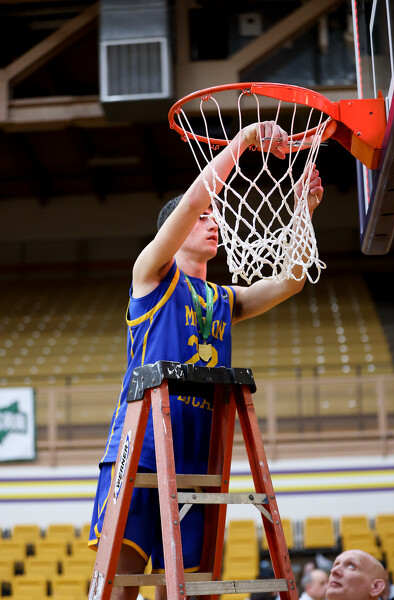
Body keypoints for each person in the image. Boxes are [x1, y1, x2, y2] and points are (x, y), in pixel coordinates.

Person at [88, 120, 324, 600]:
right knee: (122, 587)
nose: (213, 221)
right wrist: (245, 140)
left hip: (198, 457)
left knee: (183, 591)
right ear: (174, 231)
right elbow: (196, 197)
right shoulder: (151, 276)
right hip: (143, 449)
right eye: (202, 218)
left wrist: (303, 209)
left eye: (216, 217)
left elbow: (291, 280)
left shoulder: (223, 298)